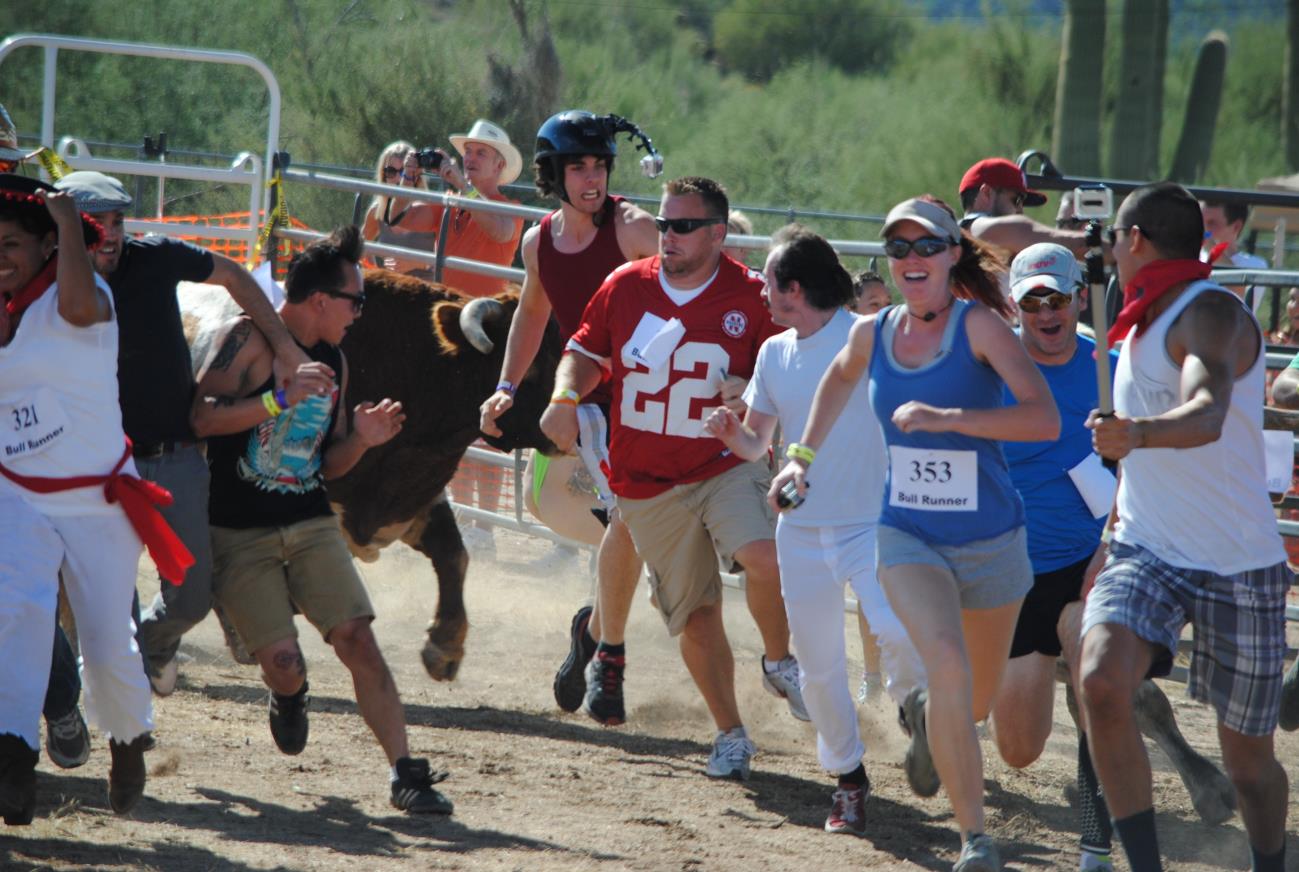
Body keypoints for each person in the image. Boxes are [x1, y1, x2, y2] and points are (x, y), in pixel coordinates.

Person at [773, 195, 1059, 871]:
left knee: (972, 700)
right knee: (948, 665)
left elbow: (1042, 420)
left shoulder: (981, 328)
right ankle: (974, 840)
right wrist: (799, 457)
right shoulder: (872, 334)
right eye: (897, 248)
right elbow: (837, 380)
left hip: (991, 541)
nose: (910, 260)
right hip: (906, 536)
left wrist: (949, 417)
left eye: (925, 246)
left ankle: (935, 717)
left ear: (952, 253)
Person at [542, 176, 806, 779]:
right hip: (646, 479)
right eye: (663, 224)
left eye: (683, 226)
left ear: (718, 233)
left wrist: (753, 394)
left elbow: (787, 369)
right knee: (697, 615)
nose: (668, 237)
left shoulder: (750, 296)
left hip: (723, 463)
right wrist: (563, 395)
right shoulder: (624, 286)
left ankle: (778, 661)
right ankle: (731, 734)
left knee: (766, 558)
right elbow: (585, 353)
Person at [192, 225, 453, 815]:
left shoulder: (334, 359)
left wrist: (361, 440)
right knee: (285, 668)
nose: (359, 314)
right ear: (319, 301)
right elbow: (202, 419)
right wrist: (276, 401)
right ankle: (291, 696)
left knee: (358, 639)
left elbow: (328, 463)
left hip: (309, 522)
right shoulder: (247, 340)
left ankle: (405, 774)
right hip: (239, 531)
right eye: (355, 301)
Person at [1082, 182, 1291, 872]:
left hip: (1237, 560)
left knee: (1249, 766)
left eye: (1113, 237)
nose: (1109, 249)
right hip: (1147, 550)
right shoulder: (1140, 317)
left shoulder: (1210, 314)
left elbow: (1205, 414)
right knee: (1100, 683)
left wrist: (1132, 434)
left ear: (1134, 240)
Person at [55, 170, 310, 697]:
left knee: (193, 595)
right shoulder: (52, 283)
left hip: (176, 457)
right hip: (103, 464)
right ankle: (99, 695)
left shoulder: (157, 258)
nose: (112, 232)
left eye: (117, 220)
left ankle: (140, 651)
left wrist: (285, 348)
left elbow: (236, 275)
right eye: (96, 223)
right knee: (107, 595)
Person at [704, 224, 924, 832]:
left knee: (894, 628)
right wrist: (732, 434)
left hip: (872, 523)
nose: (763, 293)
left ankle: (917, 711)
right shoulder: (775, 352)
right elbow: (759, 444)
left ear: (793, 287)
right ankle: (849, 781)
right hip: (799, 531)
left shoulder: (864, 335)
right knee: (821, 667)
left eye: (769, 282)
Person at [479, 109, 660, 725]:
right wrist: (505, 385)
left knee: (650, 543)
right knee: (631, 522)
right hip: (591, 407)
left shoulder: (636, 229)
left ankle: (591, 628)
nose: (593, 178)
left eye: (601, 165)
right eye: (578, 166)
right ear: (553, 175)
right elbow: (532, 316)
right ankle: (609, 657)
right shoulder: (537, 242)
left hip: (655, 404)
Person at [0, 174, 164, 821]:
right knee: (19, 609)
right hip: (18, 495)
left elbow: (70, 306)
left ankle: (128, 740)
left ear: (47, 246)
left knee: (105, 641)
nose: (2, 256)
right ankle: (13, 756)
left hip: (98, 499)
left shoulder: (87, 294)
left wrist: (69, 220)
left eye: (12, 242)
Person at [989, 243, 1117, 872]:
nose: (1046, 311)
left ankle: (1098, 835)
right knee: (1017, 751)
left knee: (1091, 662)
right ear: (1014, 305)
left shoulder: (1108, 367)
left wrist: (1109, 550)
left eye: (1057, 298)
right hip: (1013, 570)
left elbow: (1144, 466)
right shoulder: (992, 365)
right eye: (1033, 300)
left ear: (1077, 299)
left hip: (1088, 562)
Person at [378, 120, 525, 298]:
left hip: (484, 313)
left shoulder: (512, 208)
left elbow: (499, 232)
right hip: (446, 309)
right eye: (468, 151)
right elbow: (396, 216)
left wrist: (463, 186)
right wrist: (408, 178)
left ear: (499, 166)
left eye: (481, 153)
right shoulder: (448, 202)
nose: (471, 158)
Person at [958, 157, 1094, 259]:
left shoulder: (959, 240)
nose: (1020, 211)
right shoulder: (981, 229)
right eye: (1017, 200)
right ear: (987, 193)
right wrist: (1110, 246)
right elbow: (1077, 247)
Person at [360, 141, 435, 274]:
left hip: (429, 291)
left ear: (416, 173)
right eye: (390, 172)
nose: (398, 178)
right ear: (383, 176)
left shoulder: (432, 209)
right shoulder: (377, 212)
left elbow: (452, 260)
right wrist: (375, 274)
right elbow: (361, 249)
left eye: (404, 171)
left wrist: (418, 262)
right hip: (391, 291)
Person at [1200, 198, 1269, 312]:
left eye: (1212, 223)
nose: (1203, 229)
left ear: (1236, 227)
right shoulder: (1189, 256)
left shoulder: (1255, 265)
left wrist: (1211, 246)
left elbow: (1236, 302)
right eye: (1200, 221)